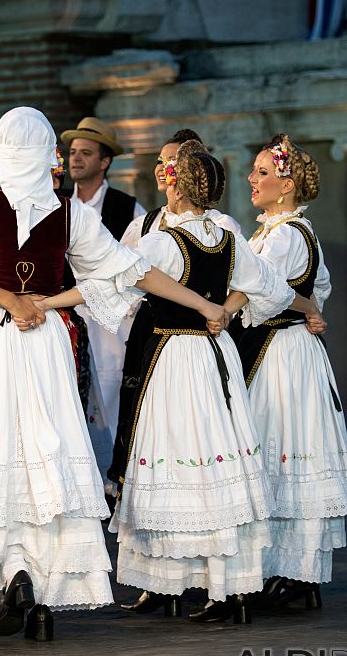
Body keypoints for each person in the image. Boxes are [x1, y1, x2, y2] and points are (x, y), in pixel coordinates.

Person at [0, 107, 228, 641]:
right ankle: (42, 591)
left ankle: (11, 572)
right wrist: (201, 304)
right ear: (49, 156)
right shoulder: (72, 214)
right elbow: (125, 272)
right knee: (48, 449)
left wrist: (6, 300)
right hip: (46, 335)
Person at [110, 142, 321, 624]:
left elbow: (126, 272)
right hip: (214, 356)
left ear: (178, 184)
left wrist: (58, 298)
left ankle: (179, 582)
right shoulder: (228, 236)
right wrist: (224, 308)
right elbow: (263, 280)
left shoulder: (165, 239)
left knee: (178, 459)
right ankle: (228, 586)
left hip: (174, 357)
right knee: (215, 457)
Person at [228, 134, 347, 608]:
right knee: (278, 445)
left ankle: (299, 572)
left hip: (283, 355)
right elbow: (315, 289)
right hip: (282, 348)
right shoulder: (271, 232)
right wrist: (309, 307)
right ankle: (285, 569)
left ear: (285, 186)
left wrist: (299, 308)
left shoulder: (287, 234)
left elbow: (262, 288)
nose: (252, 178)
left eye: (262, 172)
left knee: (287, 443)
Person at [109, 131, 242, 494]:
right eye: (160, 163)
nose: (164, 171)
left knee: (192, 418)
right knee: (143, 409)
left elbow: (118, 274)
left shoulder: (220, 229)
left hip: (188, 337)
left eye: (172, 165)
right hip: (151, 327)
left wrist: (220, 311)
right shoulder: (147, 225)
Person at [59, 118, 147, 481]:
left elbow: (140, 265)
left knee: (110, 393)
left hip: (110, 321)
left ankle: (114, 478)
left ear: (105, 161)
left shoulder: (127, 208)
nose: (75, 159)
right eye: (72, 153)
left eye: (85, 153)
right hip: (68, 311)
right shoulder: (58, 204)